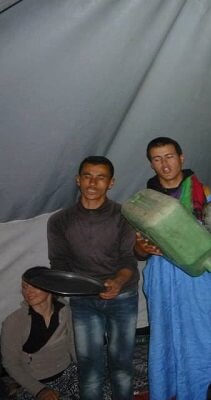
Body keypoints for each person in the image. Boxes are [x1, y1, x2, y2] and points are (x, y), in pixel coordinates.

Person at [134, 137, 211, 400]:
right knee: (166, 336)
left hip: (198, 275)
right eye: (157, 159)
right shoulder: (145, 201)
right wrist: (143, 248)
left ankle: (206, 391)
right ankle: (169, 391)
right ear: (151, 163)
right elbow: (137, 250)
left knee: (206, 334)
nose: (164, 164)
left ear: (181, 157)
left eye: (169, 156)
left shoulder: (204, 194)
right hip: (161, 275)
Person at [47, 156, 139, 400]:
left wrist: (117, 282)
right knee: (89, 366)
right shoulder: (59, 221)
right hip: (84, 300)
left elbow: (128, 260)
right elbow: (59, 263)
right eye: (87, 176)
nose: (93, 182)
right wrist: (70, 287)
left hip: (123, 295)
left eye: (101, 177)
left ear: (111, 183)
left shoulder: (124, 216)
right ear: (78, 180)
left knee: (121, 364)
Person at [1, 267, 77, 400]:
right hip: (35, 383)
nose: (28, 292)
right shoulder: (15, 322)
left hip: (68, 373)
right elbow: (10, 363)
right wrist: (40, 391)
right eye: (24, 287)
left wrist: (84, 368)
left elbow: (71, 342)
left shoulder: (64, 309)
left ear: (49, 287)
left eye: (34, 287)